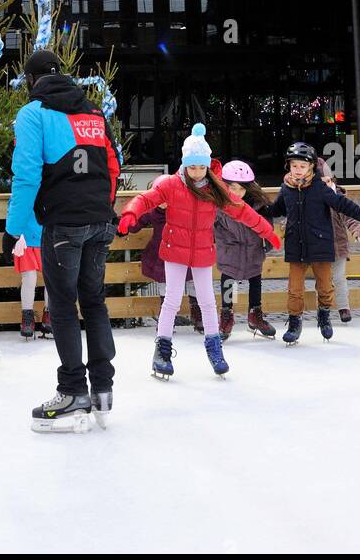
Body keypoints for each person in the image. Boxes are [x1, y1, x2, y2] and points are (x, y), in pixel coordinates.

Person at [4, 49, 122, 433]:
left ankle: (73, 391)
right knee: (95, 302)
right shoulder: (93, 113)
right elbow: (113, 165)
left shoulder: (34, 114)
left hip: (63, 226)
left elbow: (25, 175)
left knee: (64, 306)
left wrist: (13, 229)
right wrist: (103, 209)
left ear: (32, 79)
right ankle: (103, 388)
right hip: (99, 221)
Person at [117, 125, 281, 378]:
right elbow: (146, 199)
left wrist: (265, 231)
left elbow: (242, 211)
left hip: (203, 251)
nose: (196, 172)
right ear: (184, 164)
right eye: (192, 166)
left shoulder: (215, 189)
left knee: (206, 301)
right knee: (171, 300)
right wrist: (130, 212)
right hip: (174, 251)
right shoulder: (171, 184)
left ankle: (215, 349)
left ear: (207, 165)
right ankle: (162, 350)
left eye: (201, 167)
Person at [269, 142, 360, 345]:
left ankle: (324, 316)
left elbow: (343, 205)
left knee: (325, 287)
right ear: (289, 166)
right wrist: (251, 210)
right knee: (294, 289)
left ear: (311, 167)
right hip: (296, 246)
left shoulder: (320, 188)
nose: (298, 170)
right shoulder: (286, 189)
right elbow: (275, 209)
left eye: (302, 166)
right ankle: (294, 323)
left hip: (321, 245)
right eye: (294, 165)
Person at [215, 160, 277, 339]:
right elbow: (210, 226)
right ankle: (227, 315)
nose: (237, 193)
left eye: (242, 189)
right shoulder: (219, 205)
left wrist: (266, 245)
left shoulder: (258, 205)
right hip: (230, 251)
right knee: (229, 282)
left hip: (253, 250)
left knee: (255, 280)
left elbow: (267, 227)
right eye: (232, 188)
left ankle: (255, 315)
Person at [319, 164, 360, 323]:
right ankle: (322, 309)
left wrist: (358, 232)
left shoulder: (338, 197)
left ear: (331, 179)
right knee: (323, 280)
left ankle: (343, 307)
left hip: (337, 246)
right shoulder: (310, 197)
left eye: (326, 180)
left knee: (339, 278)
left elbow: (351, 216)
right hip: (318, 246)